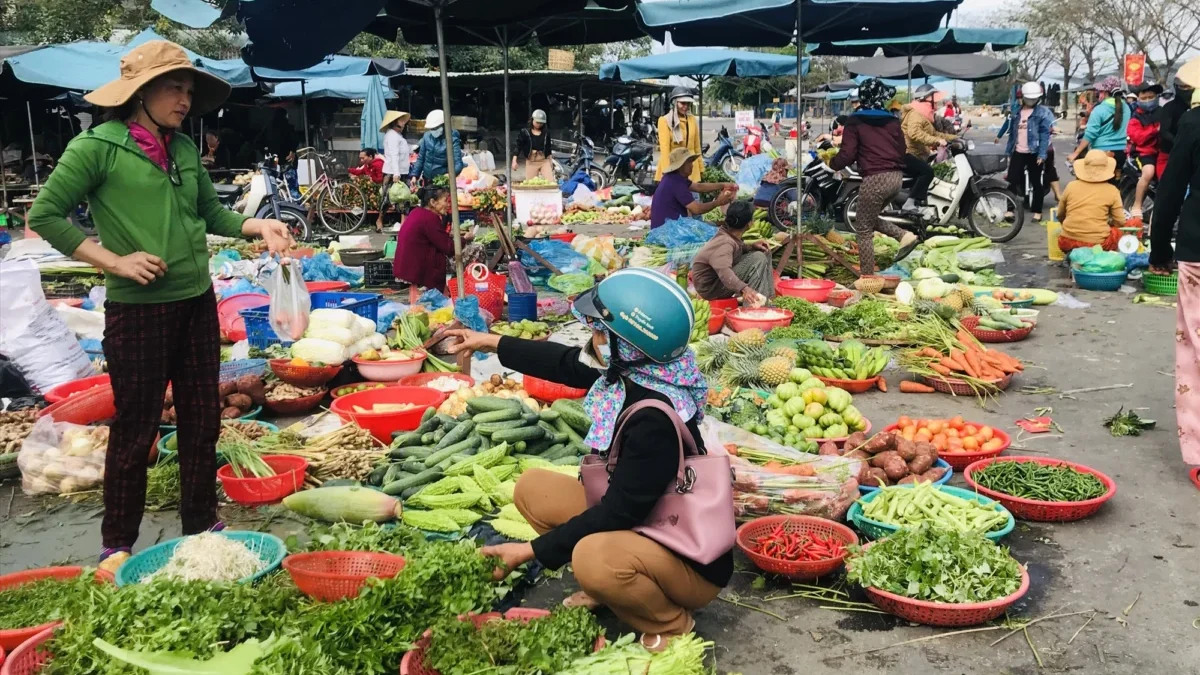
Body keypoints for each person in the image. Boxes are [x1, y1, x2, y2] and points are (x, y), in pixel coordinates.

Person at [25, 40, 294, 574]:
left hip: (197, 301)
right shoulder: (96, 147)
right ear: (140, 93)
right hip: (138, 310)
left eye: (189, 90)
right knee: (136, 425)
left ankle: (201, 525)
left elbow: (210, 214)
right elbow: (48, 215)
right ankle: (118, 540)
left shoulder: (184, 150)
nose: (185, 99)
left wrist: (255, 224)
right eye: (174, 87)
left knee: (202, 420)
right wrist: (113, 261)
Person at [445, 268, 734, 650]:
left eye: (599, 331)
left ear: (628, 344)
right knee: (534, 489)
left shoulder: (652, 420)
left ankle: (671, 624)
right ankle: (612, 589)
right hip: (648, 523)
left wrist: (529, 552)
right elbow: (564, 363)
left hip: (688, 556)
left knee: (591, 558)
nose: (591, 338)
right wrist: (491, 342)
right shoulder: (635, 368)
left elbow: (617, 513)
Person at [1149, 57, 1200, 479]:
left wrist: (1159, 246)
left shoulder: (1195, 123)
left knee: (1195, 353)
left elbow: (1169, 191)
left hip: (1199, 249)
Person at [829, 78, 919, 273]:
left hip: (875, 178)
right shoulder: (892, 120)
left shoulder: (856, 120)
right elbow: (902, 149)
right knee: (866, 219)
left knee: (863, 229)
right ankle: (904, 236)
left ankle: (867, 276)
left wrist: (832, 163)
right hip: (896, 178)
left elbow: (848, 153)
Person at [691, 200, 773, 306]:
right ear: (749, 223)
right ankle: (754, 307)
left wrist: (752, 246)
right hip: (711, 288)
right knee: (758, 258)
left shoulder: (729, 235)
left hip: (717, 281)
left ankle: (767, 299)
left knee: (764, 251)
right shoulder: (725, 243)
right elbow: (724, 272)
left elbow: (737, 248)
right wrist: (745, 289)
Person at [392, 184, 467, 294]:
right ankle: (466, 288)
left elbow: (436, 238)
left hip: (407, 266)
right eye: (445, 201)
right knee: (476, 249)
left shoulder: (417, 212)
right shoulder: (429, 218)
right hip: (417, 268)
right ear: (433, 202)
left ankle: (452, 289)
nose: (448, 204)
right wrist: (465, 239)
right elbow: (449, 248)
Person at [997, 81, 1055, 220]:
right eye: (1029, 98)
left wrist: (1042, 153)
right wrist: (1008, 151)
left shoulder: (1042, 113)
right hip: (1018, 151)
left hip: (1034, 153)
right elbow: (1012, 132)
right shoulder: (1016, 112)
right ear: (1023, 97)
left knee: (1036, 182)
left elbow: (1044, 134)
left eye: (1034, 99)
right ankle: (1009, 210)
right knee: (1012, 180)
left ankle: (1037, 212)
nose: (1031, 101)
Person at [900, 84, 956, 216]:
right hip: (906, 154)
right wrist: (936, 141)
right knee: (927, 172)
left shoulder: (923, 115)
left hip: (917, 154)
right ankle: (909, 204)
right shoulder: (915, 114)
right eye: (934, 100)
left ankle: (915, 204)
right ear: (925, 99)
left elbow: (936, 134)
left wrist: (955, 138)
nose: (936, 103)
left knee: (926, 173)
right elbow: (914, 133)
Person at [1055, 150, 1125, 253]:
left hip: (1067, 241)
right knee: (1119, 233)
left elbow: (1060, 214)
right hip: (1098, 244)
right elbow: (1120, 221)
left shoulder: (1071, 186)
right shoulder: (1112, 190)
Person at [649, 148, 736, 229]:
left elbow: (699, 187)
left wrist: (723, 185)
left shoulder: (673, 177)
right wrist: (717, 202)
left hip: (665, 228)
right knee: (719, 232)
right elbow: (696, 209)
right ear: (681, 165)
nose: (692, 166)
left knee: (713, 226)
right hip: (668, 232)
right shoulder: (676, 183)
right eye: (689, 162)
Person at [1068, 76, 1129, 182]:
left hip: (1101, 154)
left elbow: (1090, 134)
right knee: (1115, 186)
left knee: (1095, 186)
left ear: (1105, 92)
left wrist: (1076, 153)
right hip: (1122, 153)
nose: (1098, 94)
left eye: (1100, 91)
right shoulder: (1127, 108)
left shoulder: (1100, 109)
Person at [1125, 82, 1165, 228]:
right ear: (1138, 98)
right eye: (1144, 97)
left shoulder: (1163, 112)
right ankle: (1137, 205)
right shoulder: (1135, 117)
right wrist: (1155, 130)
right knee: (1148, 173)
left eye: (1151, 97)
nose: (1148, 100)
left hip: (1163, 152)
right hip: (1144, 152)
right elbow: (1138, 137)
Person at [656, 87, 702, 184]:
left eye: (688, 103)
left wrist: (701, 168)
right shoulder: (664, 121)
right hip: (673, 169)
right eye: (682, 103)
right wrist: (667, 173)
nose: (686, 106)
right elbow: (665, 151)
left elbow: (697, 147)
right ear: (674, 103)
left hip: (692, 170)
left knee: (693, 198)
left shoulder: (692, 120)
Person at [376, 110, 411, 233]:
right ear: (395, 123)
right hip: (392, 171)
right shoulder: (391, 136)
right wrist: (396, 173)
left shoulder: (398, 136)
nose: (404, 123)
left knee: (404, 198)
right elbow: (394, 155)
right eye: (401, 120)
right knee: (387, 198)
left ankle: (404, 225)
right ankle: (379, 220)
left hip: (403, 171)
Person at [409, 109, 464, 185]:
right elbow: (421, 159)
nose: (433, 130)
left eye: (435, 128)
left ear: (444, 125)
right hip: (427, 179)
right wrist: (414, 175)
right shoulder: (426, 137)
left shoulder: (452, 139)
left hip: (442, 181)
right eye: (431, 128)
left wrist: (450, 175)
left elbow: (458, 163)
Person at [1157, 72, 1195, 180]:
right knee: (1166, 188)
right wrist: (1181, 143)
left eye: (1189, 86)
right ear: (1176, 87)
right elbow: (1164, 131)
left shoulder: (1195, 108)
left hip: (1192, 157)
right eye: (1182, 86)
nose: (1186, 89)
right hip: (1169, 156)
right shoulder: (1169, 107)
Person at [512, 109, 554, 182]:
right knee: (531, 184)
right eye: (537, 122)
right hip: (531, 161)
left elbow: (548, 148)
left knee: (550, 182)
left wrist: (551, 161)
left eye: (541, 123)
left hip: (544, 160)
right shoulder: (525, 132)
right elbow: (518, 146)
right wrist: (514, 161)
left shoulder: (546, 133)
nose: (539, 124)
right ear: (532, 120)